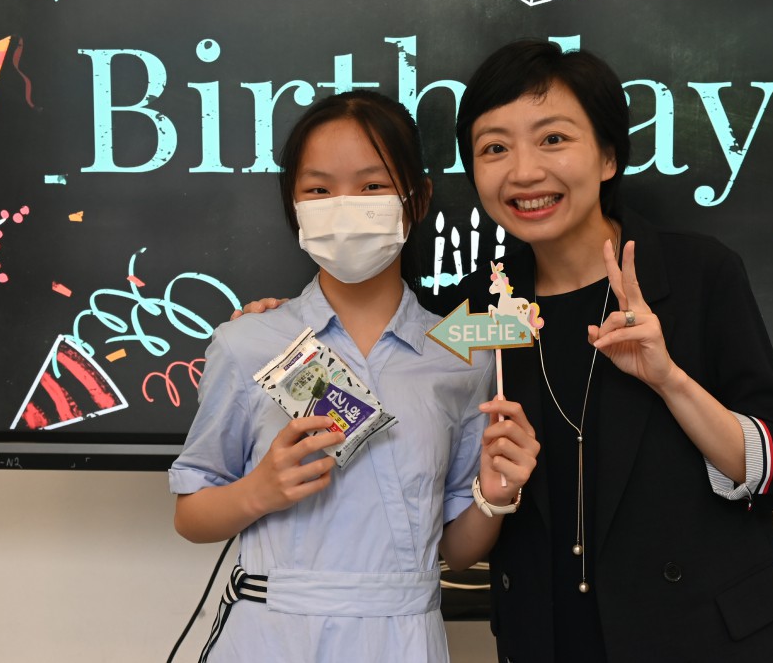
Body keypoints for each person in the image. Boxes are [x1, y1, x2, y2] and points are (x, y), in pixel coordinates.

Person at [445, 39, 773, 662]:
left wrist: (670, 380)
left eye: (553, 139)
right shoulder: (482, 304)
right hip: (549, 640)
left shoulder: (698, 274)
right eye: (494, 148)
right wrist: (280, 317)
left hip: (700, 641)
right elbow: (390, 339)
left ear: (608, 156)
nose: (524, 172)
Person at [169, 90, 539, 663]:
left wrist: (495, 496)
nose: (344, 207)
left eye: (372, 186)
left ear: (417, 198)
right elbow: (191, 516)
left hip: (406, 635)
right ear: (294, 205)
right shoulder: (248, 343)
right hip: (274, 635)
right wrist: (258, 490)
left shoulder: (461, 356)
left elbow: (456, 552)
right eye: (319, 190)